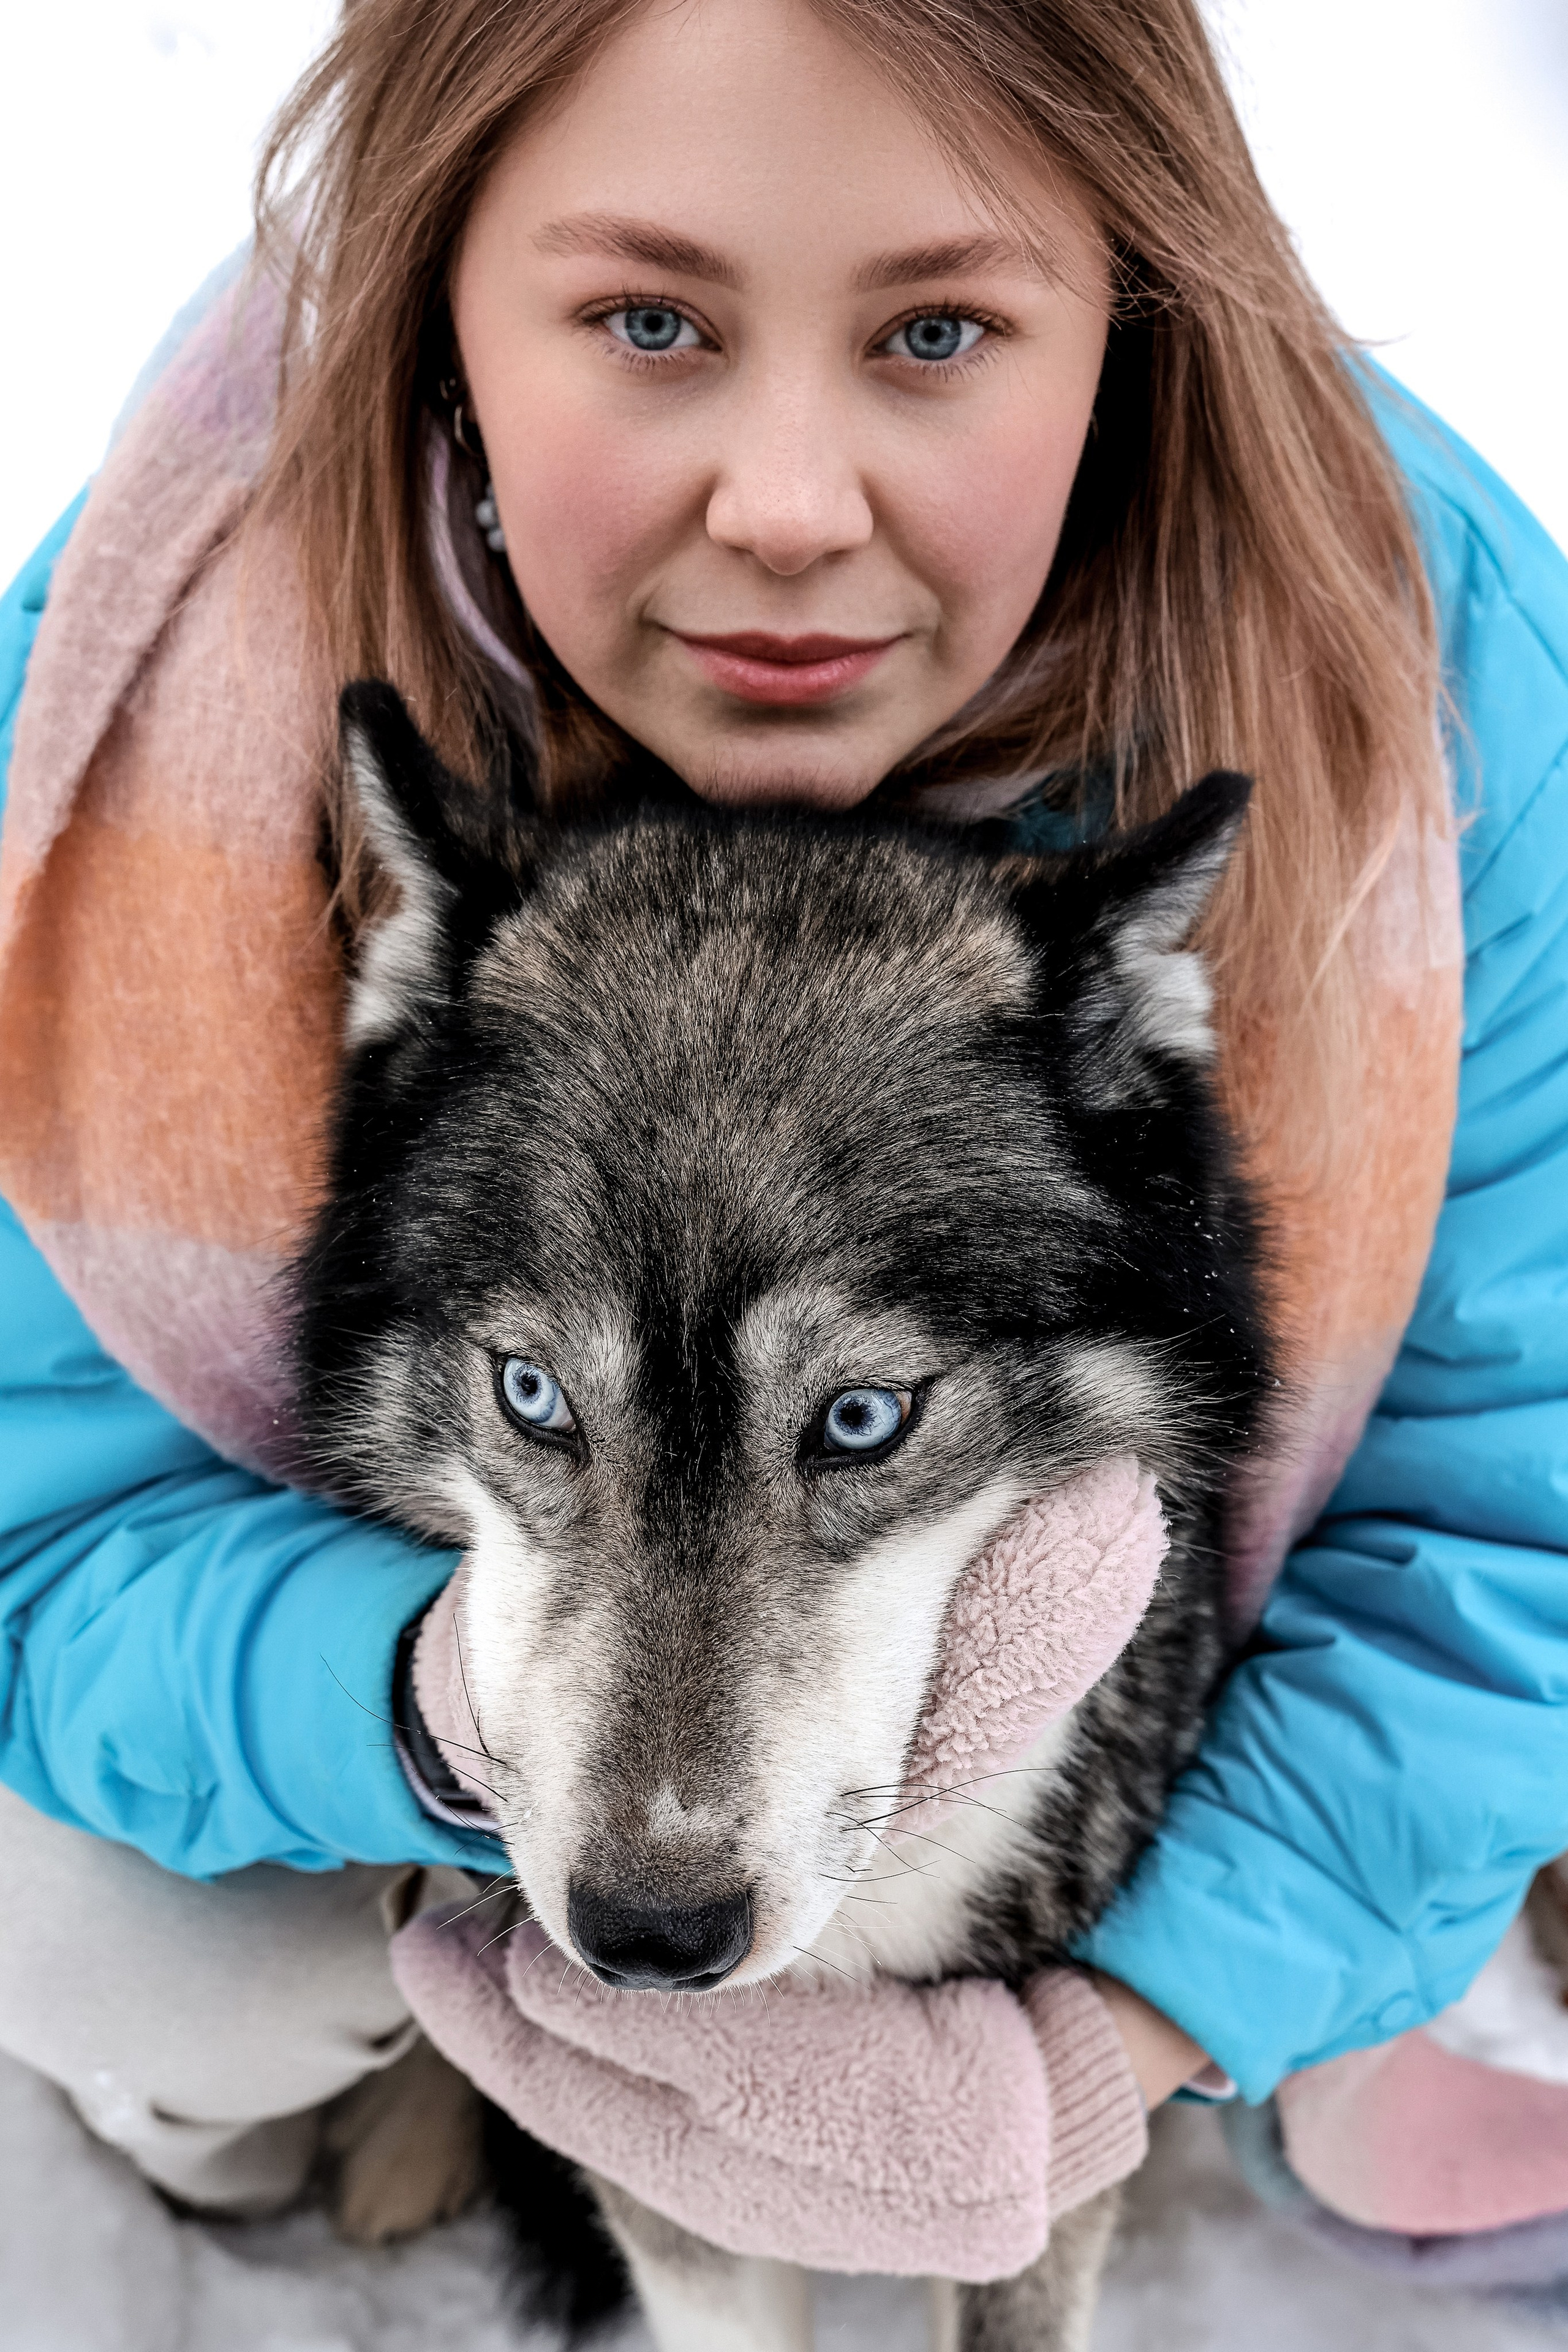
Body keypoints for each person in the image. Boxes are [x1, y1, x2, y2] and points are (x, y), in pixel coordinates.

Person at [1, 0, 1565, 2278]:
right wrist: (429, 1712)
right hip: (358, 1677)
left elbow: (1520, 1515)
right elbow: (29, 1536)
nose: (792, 507)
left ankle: (1352, 2009)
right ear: (441, 287)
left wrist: (1121, 2036)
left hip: (1189, 1664)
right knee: (149, 1948)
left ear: (1127, 314)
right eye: (650, 319)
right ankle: (256, 2108)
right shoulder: (120, 725)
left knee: (1361, 1941)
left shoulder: (1445, 694)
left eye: (936, 327)